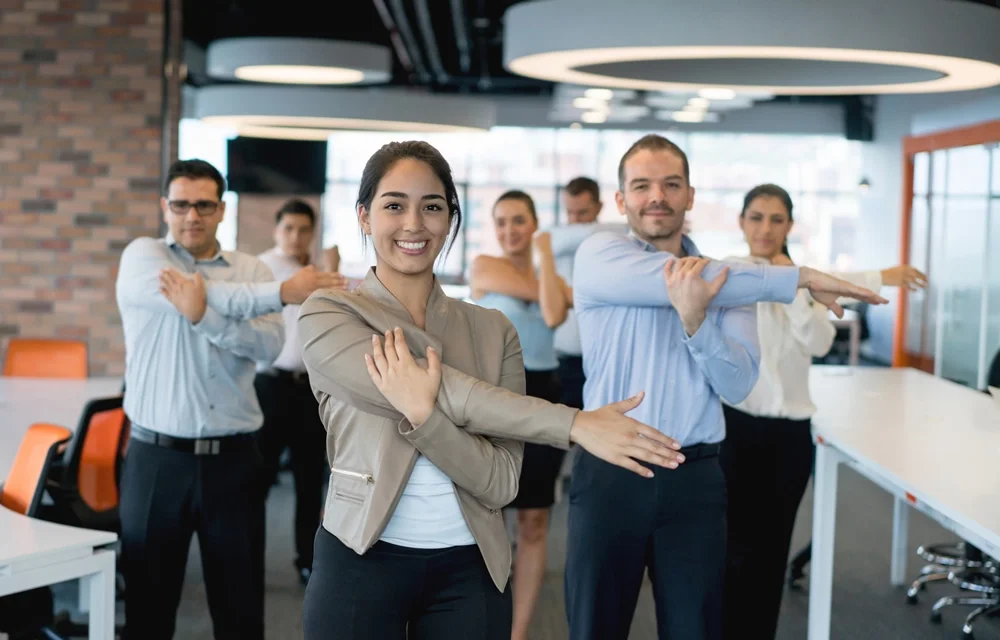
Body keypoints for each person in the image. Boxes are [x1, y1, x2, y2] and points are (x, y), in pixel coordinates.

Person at [296, 141, 686, 640]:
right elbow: (457, 393)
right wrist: (573, 423)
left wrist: (425, 416)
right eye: (394, 205)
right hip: (357, 555)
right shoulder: (330, 313)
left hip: (470, 568)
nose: (414, 223)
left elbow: (501, 484)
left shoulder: (493, 330)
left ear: (450, 219)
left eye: (432, 206)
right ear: (365, 217)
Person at [564, 134, 889, 640]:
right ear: (621, 200)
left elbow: (737, 385)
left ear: (690, 196)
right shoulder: (601, 255)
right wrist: (798, 277)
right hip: (612, 474)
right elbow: (674, 278)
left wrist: (697, 324)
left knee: (696, 630)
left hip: (694, 479)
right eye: (642, 185)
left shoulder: (734, 286)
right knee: (594, 629)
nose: (658, 196)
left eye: (672, 184)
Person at [114, 159, 340, 640]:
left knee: (239, 614)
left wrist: (203, 317)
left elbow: (267, 347)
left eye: (202, 204)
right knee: (146, 614)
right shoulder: (143, 256)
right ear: (165, 207)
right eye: (180, 204)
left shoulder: (249, 268)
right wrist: (279, 292)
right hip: (156, 460)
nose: (191, 215)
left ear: (220, 209)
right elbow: (223, 295)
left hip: (233, 463)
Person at [720, 183, 927, 639]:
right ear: (741, 222)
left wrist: (795, 285)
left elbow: (818, 341)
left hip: (789, 436)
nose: (765, 228)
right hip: (734, 430)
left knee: (771, 553)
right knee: (730, 548)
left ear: (790, 225)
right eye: (756, 217)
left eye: (776, 219)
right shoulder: (731, 273)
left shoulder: (806, 284)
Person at [468, 190, 569, 640]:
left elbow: (550, 311)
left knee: (534, 520)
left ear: (534, 224)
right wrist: (546, 260)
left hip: (545, 392)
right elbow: (553, 307)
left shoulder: (552, 274)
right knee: (491, 516)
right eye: (502, 221)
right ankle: (484, 621)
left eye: (519, 221)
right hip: (497, 392)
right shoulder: (485, 267)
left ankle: (519, 632)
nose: (510, 231)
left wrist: (545, 256)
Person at [254, 198, 348, 585]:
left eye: (303, 229)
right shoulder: (262, 268)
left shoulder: (318, 272)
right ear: (277, 231)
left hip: (310, 390)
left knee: (311, 481)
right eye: (288, 228)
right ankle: (244, 559)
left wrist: (333, 269)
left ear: (312, 232)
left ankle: (307, 563)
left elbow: (338, 317)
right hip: (269, 385)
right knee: (257, 480)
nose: (295, 236)